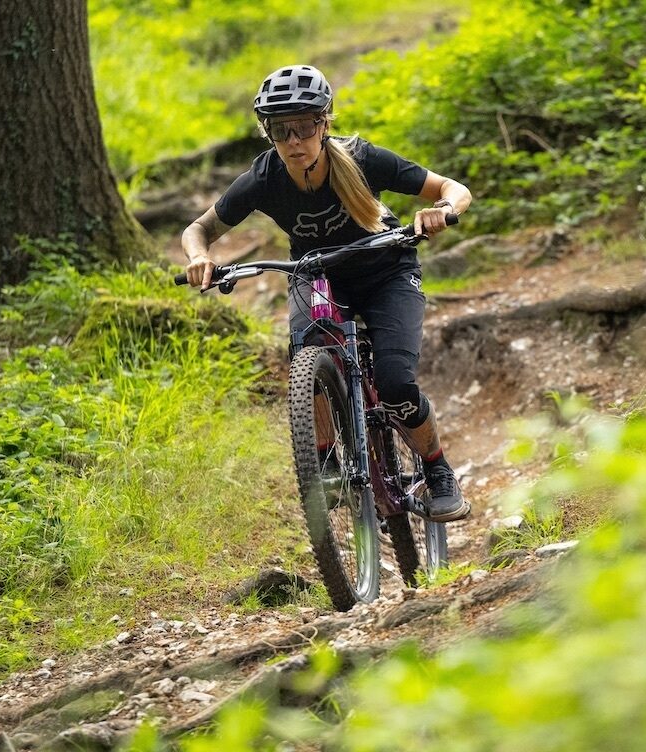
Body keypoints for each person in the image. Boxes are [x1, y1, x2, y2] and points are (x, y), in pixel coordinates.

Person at [181, 64, 471, 522]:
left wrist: (442, 209)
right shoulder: (264, 179)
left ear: (324, 122)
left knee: (396, 383)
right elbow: (200, 229)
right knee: (308, 354)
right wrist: (199, 258)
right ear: (268, 133)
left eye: (304, 127)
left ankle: (437, 471)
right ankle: (328, 462)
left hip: (386, 273)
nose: (294, 141)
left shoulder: (362, 160)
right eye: (281, 130)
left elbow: (453, 189)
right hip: (315, 276)